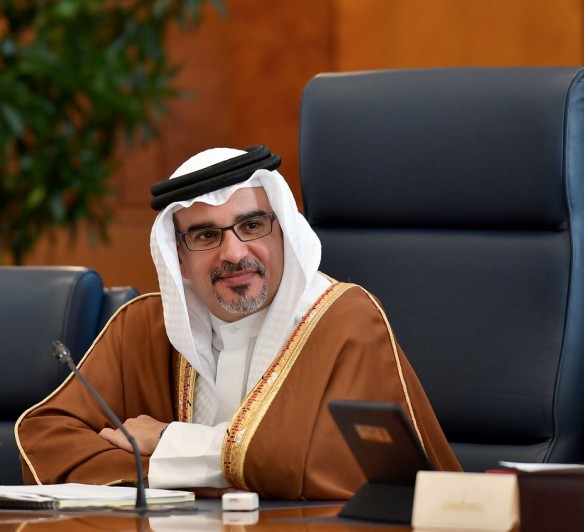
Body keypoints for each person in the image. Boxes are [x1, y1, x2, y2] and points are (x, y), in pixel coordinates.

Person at [17, 145, 461, 499]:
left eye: (251, 226)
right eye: (205, 235)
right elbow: (45, 441)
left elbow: (348, 471)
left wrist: (169, 443)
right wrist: (215, 474)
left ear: (284, 231)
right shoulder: (145, 328)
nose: (233, 253)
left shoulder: (344, 320)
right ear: (179, 257)